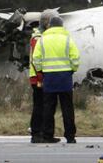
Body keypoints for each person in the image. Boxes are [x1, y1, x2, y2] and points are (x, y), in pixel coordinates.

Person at [32, 16, 80, 144]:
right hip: (65, 77)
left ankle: (48, 135)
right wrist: (72, 69)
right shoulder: (68, 39)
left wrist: (40, 71)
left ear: (50, 26)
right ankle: (70, 136)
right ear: (61, 25)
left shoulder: (42, 40)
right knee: (67, 108)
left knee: (49, 108)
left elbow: (36, 58)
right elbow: (75, 57)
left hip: (49, 77)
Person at [29, 10, 59, 143]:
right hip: (38, 77)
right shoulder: (38, 38)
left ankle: (45, 133)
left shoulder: (43, 36)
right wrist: (41, 77)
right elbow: (37, 59)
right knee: (39, 106)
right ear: (47, 22)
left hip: (43, 76)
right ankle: (36, 133)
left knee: (45, 105)